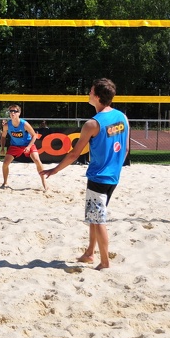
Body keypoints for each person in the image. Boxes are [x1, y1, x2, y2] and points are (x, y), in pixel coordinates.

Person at [40, 78, 129, 271]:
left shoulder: (92, 124)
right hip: (113, 176)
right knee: (94, 216)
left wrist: (54, 170)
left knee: (98, 220)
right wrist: (113, 166)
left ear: (97, 96)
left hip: (99, 177)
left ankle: (105, 262)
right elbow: (126, 149)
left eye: (90, 91)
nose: (88, 94)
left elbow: (74, 154)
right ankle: (89, 252)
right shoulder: (122, 117)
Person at [0, 105, 48, 190]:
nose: (12, 113)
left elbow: (34, 136)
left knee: (37, 160)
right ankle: (5, 183)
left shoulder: (24, 124)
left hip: (27, 144)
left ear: (19, 113)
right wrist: (3, 148)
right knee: (5, 164)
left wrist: (29, 147)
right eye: (11, 111)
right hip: (15, 145)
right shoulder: (7, 125)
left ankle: (45, 184)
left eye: (15, 111)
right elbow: (3, 136)